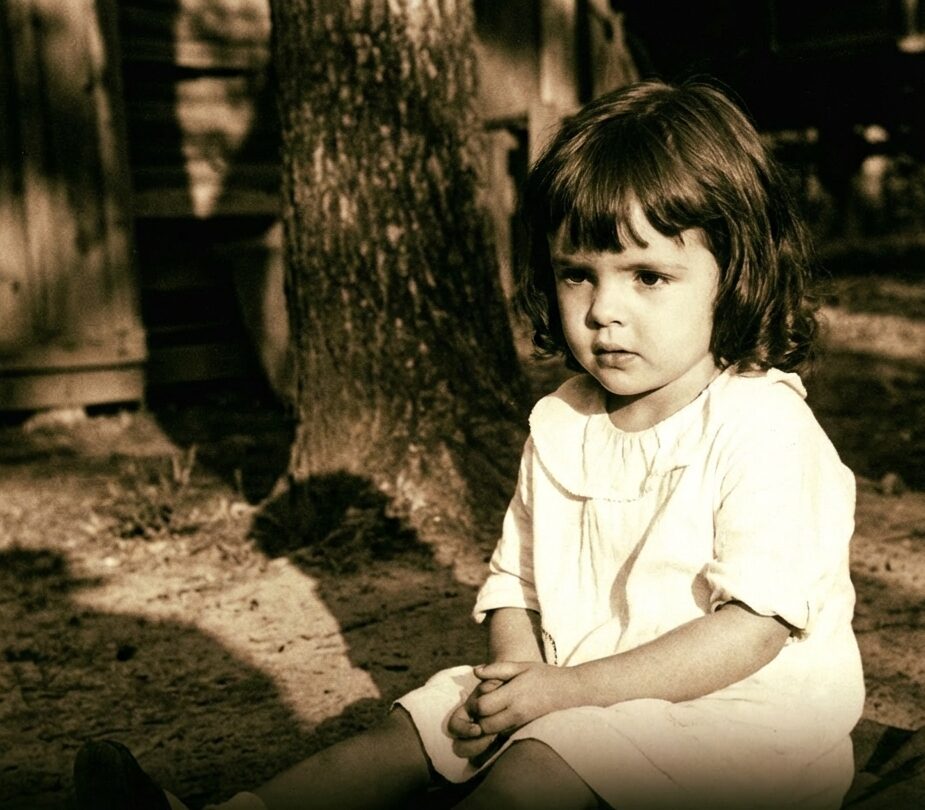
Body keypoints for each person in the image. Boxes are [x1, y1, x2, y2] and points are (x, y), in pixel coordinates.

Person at [73, 79, 865, 810]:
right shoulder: (562, 421)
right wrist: (518, 673)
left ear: (735, 274)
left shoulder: (760, 426)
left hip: (740, 724)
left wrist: (568, 694)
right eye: (577, 274)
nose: (602, 310)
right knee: (423, 725)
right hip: (577, 693)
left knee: (538, 769)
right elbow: (515, 583)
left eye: (647, 277)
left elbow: (750, 630)